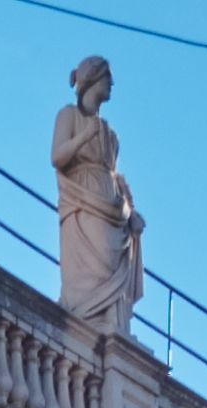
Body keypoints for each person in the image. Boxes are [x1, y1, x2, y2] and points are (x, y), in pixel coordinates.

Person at [52, 60, 139, 349]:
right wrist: (84, 137)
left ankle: (112, 326)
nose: (112, 85)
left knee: (113, 269)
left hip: (112, 208)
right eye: (107, 79)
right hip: (82, 200)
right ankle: (85, 324)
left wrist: (131, 211)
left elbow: (115, 173)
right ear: (92, 80)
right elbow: (57, 157)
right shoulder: (69, 116)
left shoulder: (112, 134)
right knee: (91, 272)